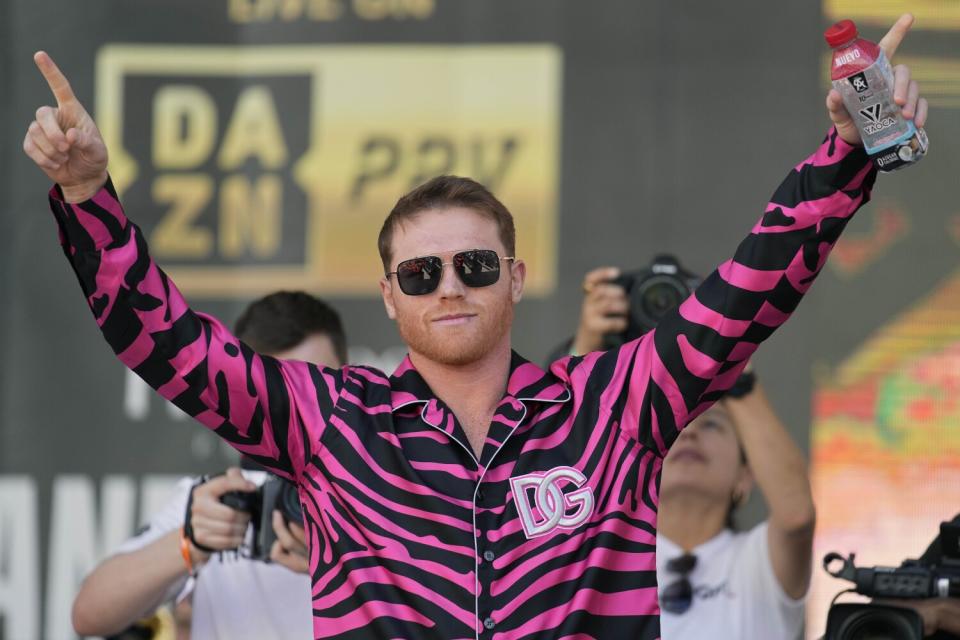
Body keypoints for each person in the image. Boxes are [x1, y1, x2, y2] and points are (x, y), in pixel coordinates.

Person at [22, 15, 926, 639]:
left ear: (515, 278)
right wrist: (88, 198)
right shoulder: (328, 420)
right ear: (388, 295)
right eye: (421, 272)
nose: (449, 286)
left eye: (475, 265)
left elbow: (750, 292)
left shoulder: (613, 402)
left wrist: (850, 149)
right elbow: (167, 343)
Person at [71, 291, 347, 639]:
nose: (294, 410)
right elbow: (88, 616)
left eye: (312, 387)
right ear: (240, 391)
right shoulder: (216, 501)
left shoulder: (393, 486)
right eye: (275, 392)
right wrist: (191, 541)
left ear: (349, 381)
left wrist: (342, 563)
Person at [569, 266, 815, 639]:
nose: (690, 435)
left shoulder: (758, 561)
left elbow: (796, 514)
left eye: (712, 424)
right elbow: (559, 471)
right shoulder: (599, 559)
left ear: (745, 476)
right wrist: (587, 347)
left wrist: (733, 358)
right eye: (674, 427)